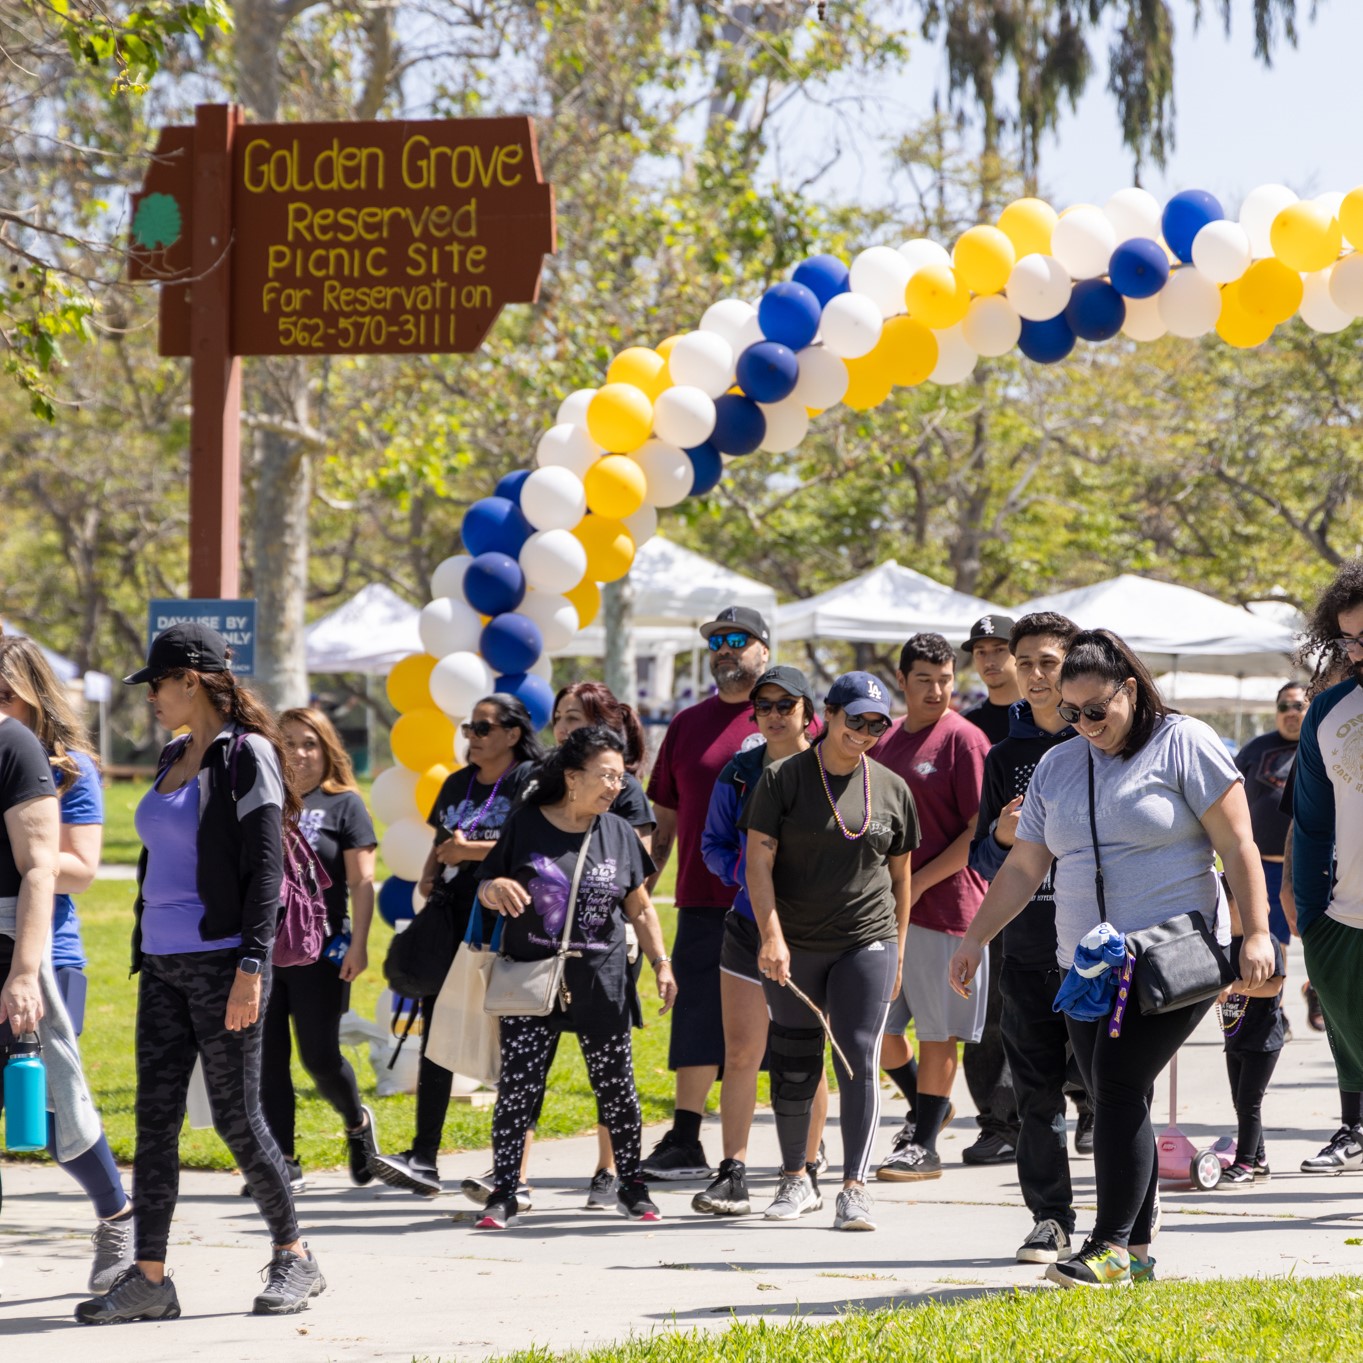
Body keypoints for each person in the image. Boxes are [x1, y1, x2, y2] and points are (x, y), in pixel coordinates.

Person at [950, 628, 1274, 1289]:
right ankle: (1141, 1249)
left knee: (1118, 1084)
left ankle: (1107, 1246)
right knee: (1114, 1090)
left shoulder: (1183, 741)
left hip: (1171, 955)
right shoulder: (1059, 765)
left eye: (1095, 709)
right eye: (1070, 713)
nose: (1084, 724)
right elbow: (1022, 864)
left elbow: (1238, 843)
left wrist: (1255, 933)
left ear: (1128, 689)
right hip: (1086, 968)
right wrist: (974, 935)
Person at [78, 623, 323, 1324]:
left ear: (192, 679)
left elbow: (267, 868)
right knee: (154, 1124)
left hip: (224, 961)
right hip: (162, 963)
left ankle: (295, 1255)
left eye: (156, 683)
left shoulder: (246, 756)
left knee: (237, 1119)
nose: (150, 696)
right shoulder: (170, 754)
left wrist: (252, 961)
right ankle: (150, 1276)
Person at [460, 680, 656, 1211]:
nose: (615, 786)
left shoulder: (618, 831)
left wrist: (661, 962)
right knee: (519, 1088)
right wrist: (494, 887)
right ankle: (505, 1191)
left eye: (619, 776)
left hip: (602, 977)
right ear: (572, 778)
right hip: (531, 976)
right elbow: (487, 880)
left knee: (617, 1087)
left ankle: (631, 1185)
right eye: (605, 776)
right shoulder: (527, 824)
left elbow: (639, 904)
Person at [742, 671, 917, 1231]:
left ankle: (854, 1187)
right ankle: (797, 1178)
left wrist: (900, 950)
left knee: (857, 1057)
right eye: (854, 720)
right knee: (794, 1061)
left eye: (876, 724)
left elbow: (901, 877)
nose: (864, 732)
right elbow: (758, 863)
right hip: (793, 942)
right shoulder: (782, 779)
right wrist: (771, 934)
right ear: (829, 714)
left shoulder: (892, 788)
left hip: (867, 940)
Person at [0, 638, 134, 1293]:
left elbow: (72, 866)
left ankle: (117, 1217)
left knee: (55, 1115)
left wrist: (36, 855)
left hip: (49, 952)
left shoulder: (68, 766)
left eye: (6, 693)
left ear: (32, 693)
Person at [372, 694, 545, 1197]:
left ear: (513, 733)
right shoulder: (455, 781)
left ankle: (510, 1170)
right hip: (451, 917)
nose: (472, 736)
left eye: (483, 728)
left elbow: (534, 846)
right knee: (439, 1033)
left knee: (513, 1040)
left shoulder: (530, 780)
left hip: (508, 922)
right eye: (469, 727)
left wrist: (470, 851)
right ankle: (424, 1157)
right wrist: (429, 873)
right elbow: (441, 838)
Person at [966, 613, 1084, 1264]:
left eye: (1048, 662)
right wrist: (1003, 839)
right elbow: (985, 860)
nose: (1036, 675)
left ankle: (1127, 1226)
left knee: (1113, 1093)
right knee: (1033, 1096)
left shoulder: (1102, 739)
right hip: (1027, 946)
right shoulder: (1003, 757)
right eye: (1026, 662)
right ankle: (1049, 1218)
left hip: (1098, 948)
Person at [694, 665, 830, 1217]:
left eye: (785, 705)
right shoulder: (740, 772)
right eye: (764, 706)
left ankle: (810, 1167)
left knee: (805, 1051)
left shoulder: (831, 769)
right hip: (748, 925)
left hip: (814, 930)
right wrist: (754, 875)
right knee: (743, 1051)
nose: (773, 715)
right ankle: (733, 1172)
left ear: (808, 713)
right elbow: (712, 845)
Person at [642, 605, 771, 1179]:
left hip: (778, 905)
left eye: (737, 639)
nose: (725, 648)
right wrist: (641, 889)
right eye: (717, 641)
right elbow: (664, 822)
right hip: (699, 895)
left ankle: (802, 1150)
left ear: (763, 650)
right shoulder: (687, 725)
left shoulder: (790, 719)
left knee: (785, 1025)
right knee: (695, 1016)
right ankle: (687, 1138)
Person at [870, 633, 991, 1181]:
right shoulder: (886, 739)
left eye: (946, 680)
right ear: (902, 680)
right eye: (925, 680)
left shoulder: (964, 741)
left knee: (938, 1032)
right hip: (885, 912)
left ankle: (923, 1145)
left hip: (946, 909)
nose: (938, 690)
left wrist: (915, 885)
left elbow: (977, 833)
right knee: (876, 1030)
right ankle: (929, 1112)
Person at [256, 706, 380, 1192]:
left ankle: (356, 1123)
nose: (300, 753)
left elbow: (362, 881)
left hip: (321, 952)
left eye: (309, 743)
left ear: (327, 749)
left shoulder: (344, 804)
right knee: (267, 1060)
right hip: (263, 950)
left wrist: (361, 945)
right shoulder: (262, 798)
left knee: (320, 1057)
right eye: (288, 743)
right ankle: (283, 1160)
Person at [1290, 560, 1363, 1180]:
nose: (1359, 652)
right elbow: (1311, 826)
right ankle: (1354, 1129)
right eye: (1349, 640)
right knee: (1352, 1044)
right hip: (1344, 917)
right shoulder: (1327, 713)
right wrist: (1311, 915)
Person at [1217, 882, 1285, 1186]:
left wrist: (1236, 987)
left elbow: (1275, 986)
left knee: (1248, 1102)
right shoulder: (1225, 944)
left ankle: (1244, 1163)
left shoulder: (1264, 942)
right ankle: (1259, 1161)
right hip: (1235, 1037)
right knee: (1240, 1102)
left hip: (1263, 1039)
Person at [1234, 681, 1305, 958]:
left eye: (1298, 705)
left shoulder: (1321, 745)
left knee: (1320, 938)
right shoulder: (1256, 748)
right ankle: (1275, 1001)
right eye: (1284, 706)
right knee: (1270, 940)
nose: (1290, 712)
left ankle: (1315, 993)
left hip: (1310, 865)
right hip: (1260, 866)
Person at [960, 615, 1021, 745]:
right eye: (981, 652)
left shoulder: (1043, 715)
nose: (989, 662)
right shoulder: (964, 724)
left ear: (1018, 653)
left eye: (999, 650)